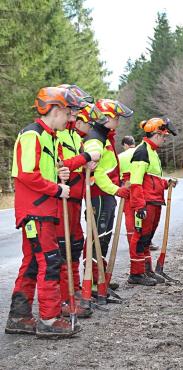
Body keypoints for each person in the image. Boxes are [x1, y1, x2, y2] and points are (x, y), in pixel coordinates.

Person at [6, 86, 94, 338]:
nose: (70, 119)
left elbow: (46, 168)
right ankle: (50, 319)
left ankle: (19, 317)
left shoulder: (50, 136)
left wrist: (60, 173)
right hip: (36, 210)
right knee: (50, 262)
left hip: (44, 209)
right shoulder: (32, 135)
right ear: (54, 110)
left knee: (33, 263)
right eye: (67, 113)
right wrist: (57, 189)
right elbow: (26, 174)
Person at [56, 89, 107, 318]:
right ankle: (63, 298)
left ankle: (74, 292)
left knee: (74, 246)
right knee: (61, 249)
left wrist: (86, 165)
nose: (75, 116)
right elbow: (61, 164)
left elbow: (75, 164)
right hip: (61, 199)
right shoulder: (58, 134)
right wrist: (85, 159)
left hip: (75, 198)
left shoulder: (76, 137)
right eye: (74, 111)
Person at [82, 99, 133, 291]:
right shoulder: (95, 139)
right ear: (106, 117)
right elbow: (97, 173)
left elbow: (108, 168)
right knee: (98, 237)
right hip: (99, 195)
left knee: (104, 237)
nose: (118, 121)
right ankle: (93, 281)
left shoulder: (105, 137)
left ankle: (100, 277)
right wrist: (116, 189)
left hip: (106, 195)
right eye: (116, 117)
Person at [128, 118, 177, 285]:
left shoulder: (153, 152)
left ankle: (146, 270)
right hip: (146, 203)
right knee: (140, 237)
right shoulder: (142, 152)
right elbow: (136, 181)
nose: (164, 139)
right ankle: (136, 274)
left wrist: (166, 183)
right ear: (156, 134)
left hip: (155, 201)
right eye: (163, 136)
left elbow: (152, 179)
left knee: (147, 238)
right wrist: (139, 205)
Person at [117, 135, 138, 245]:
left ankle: (131, 240)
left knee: (129, 214)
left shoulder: (120, 157)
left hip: (126, 185)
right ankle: (144, 240)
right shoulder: (142, 152)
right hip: (140, 184)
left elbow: (116, 174)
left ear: (125, 145)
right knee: (141, 211)